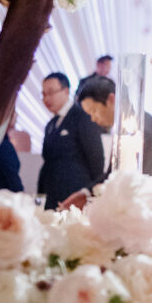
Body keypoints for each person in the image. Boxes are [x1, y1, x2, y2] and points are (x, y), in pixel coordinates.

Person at [37, 70, 106, 211]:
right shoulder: (51, 124)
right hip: (51, 198)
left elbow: (96, 161)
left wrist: (88, 192)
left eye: (50, 93)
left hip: (74, 198)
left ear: (66, 91)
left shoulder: (83, 117)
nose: (46, 99)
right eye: (43, 94)